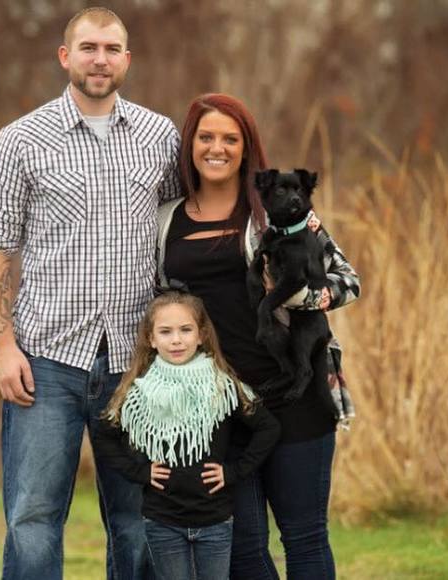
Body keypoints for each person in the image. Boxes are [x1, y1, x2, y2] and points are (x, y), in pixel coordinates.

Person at [0, 7, 179, 579]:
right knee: (33, 517)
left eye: (112, 49)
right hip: (44, 362)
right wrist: (3, 348)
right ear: (65, 56)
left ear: (127, 60)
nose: (100, 60)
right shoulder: (21, 139)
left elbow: (180, 230)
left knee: (138, 520)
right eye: (89, 48)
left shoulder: (161, 137)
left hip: (137, 363)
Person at [156, 93, 361, 579]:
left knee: (304, 538)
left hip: (293, 392)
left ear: (247, 148)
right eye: (206, 137)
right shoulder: (165, 220)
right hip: (218, 406)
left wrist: (292, 296)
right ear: (190, 145)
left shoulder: (277, 214)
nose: (217, 148)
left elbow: (348, 282)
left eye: (231, 139)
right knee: (241, 550)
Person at [93, 291, 281, 580]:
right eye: (165, 332)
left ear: (201, 335)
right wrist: (139, 472)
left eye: (185, 330)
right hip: (162, 521)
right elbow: (104, 436)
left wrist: (234, 471)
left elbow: (268, 428)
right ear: (151, 339)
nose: (176, 340)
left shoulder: (222, 386)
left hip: (216, 520)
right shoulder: (139, 392)